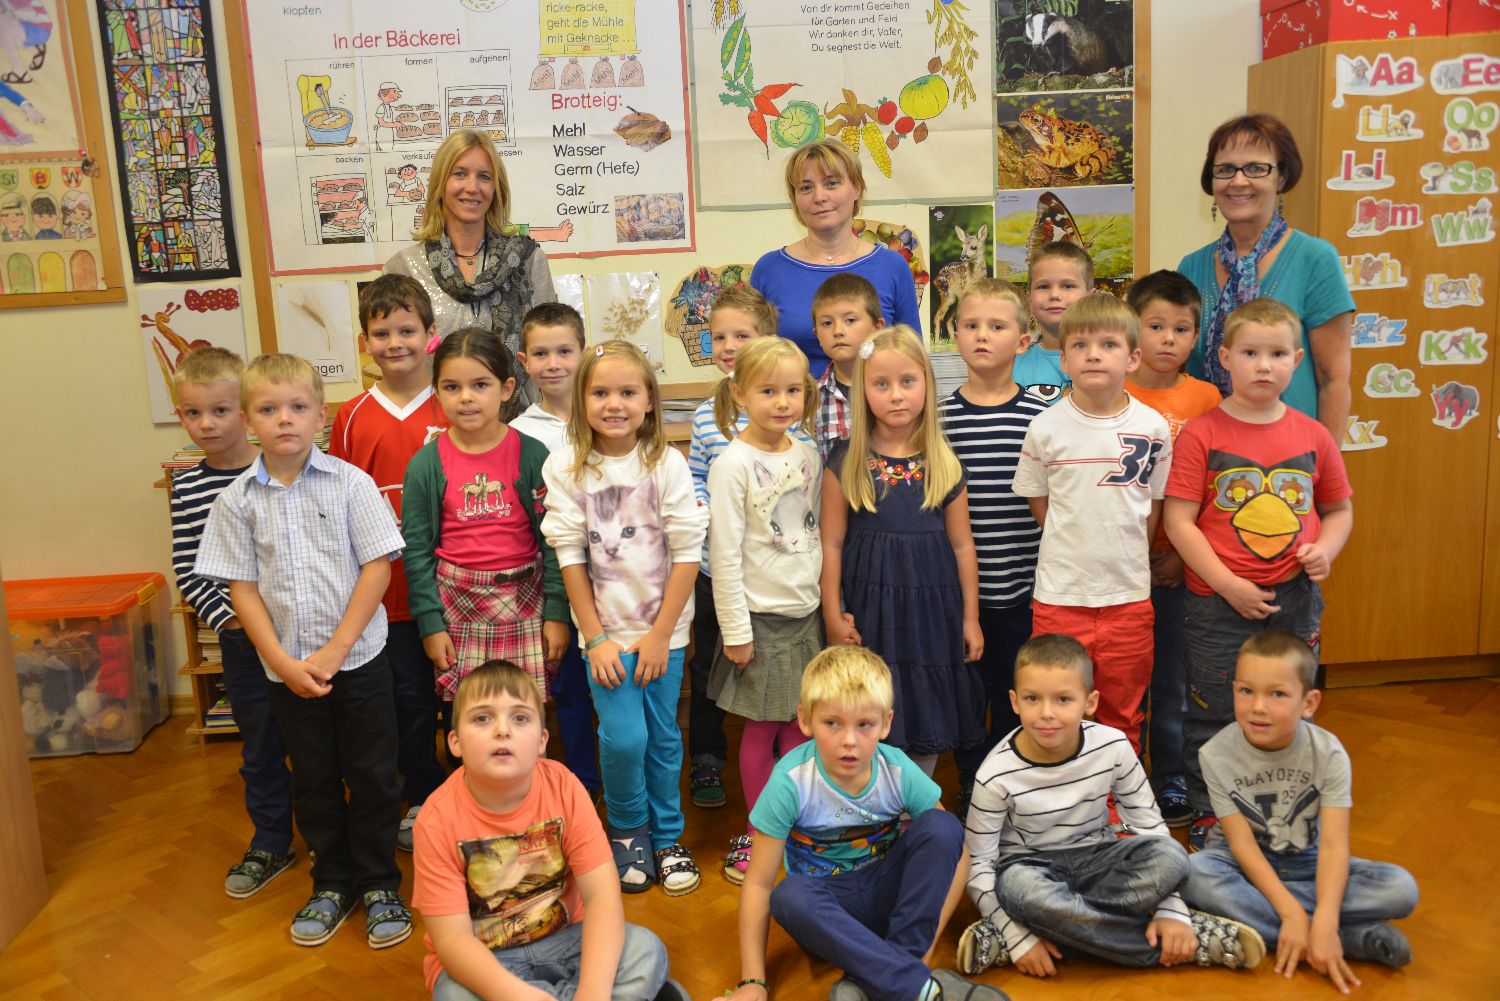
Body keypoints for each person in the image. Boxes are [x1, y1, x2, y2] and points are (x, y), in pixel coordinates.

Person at [196, 354, 411, 949]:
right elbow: (242, 588)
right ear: (248, 421)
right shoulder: (236, 501)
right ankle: (332, 881)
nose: (284, 419)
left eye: (297, 407)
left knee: (373, 776)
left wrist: (337, 649)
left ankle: (379, 883)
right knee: (314, 781)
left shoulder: (351, 484)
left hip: (359, 663)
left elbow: (377, 567)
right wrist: (281, 662)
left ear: (320, 416)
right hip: (287, 672)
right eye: (268, 409)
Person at [957, 634, 1266, 979]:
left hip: (1099, 860)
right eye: (1032, 698)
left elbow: (1150, 827)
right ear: (1014, 702)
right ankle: (1193, 941)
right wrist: (1019, 939)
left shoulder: (1113, 746)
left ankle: (1040, 931)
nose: (1047, 713)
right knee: (1016, 888)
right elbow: (979, 864)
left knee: (1173, 856)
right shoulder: (994, 774)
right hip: (1033, 871)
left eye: (1063, 699)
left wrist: (1172, 910)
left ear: (1090, 702)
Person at [1164, 297, 1353, 850]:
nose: (1263, 366)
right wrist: (1228, 585)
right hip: (1216, 604)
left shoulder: (1314, 435)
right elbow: (1178, 521)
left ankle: (1288, 807)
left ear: (1297, 360)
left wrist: (1326, 550)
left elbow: (1339, 510)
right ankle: (1210, 811)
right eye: (1250, 353)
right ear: (1225, 358)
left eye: (1276, 354)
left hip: (1296, 598)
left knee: (1289, 705)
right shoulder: (1202, 434)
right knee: (1214, 709)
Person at [724, 646, 1002, 1001]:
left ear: (886, 723)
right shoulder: (790, 781)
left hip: (892, 900)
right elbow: (759, 884)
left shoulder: (897, 769)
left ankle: (901, 974)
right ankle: (915, 984)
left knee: (943, 826)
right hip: (829, 912)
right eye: (832, 723)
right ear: (805, 720)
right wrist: (753, 981)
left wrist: (922, 955)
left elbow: (955, 853)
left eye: (864, 725)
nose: (849, 741)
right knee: (789, 895)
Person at [413, 660, 689, 1001]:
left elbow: (602, 897)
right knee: (454, 995)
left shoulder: (565, 787)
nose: (502, 730)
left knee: (644, 948)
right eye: (482, 718)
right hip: (489, 958)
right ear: (454, 742)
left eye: (520, 718)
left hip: (568, 939)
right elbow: (453, 940)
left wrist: (593, 992)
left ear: (541, 740)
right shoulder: (435, 820)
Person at [542, 341, 709, 896]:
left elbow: (687, 552)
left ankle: (668, 837)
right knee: (623, 739)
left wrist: (662, 636)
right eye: (600, 393)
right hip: (606, 640)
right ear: (581, 400)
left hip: (664, 636)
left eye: (628, 392)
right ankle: (628, 830)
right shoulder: (566, 466)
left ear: (649, 401)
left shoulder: (667, 463)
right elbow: (569, 555)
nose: (614, 404)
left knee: (663, 738)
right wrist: (594, 639)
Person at [1184, 631, 1418, 991]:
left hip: (1311, 862)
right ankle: (1352, 939)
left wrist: (1325, 917)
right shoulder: (1214, 753)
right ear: (1233, 690)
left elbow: (1334, 847)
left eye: (1277, 694)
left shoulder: (1329, 752)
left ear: (1309, 703)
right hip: (1245, 864)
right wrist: (1293, 912)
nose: (1258, 706)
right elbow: (1242, 845)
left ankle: (1283, 926)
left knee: (1400, 889)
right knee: (1195, 873)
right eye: (1246, 691)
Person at [820, 326, 985, 774]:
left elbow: (963, 546)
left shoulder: (944, 462)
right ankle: (872, 802)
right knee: (868, 703)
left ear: (927, 385)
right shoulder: (845, 460)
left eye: (907, 381)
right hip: (870, 611)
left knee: (926, 706)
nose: (896, 395)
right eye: (881, 384)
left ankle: (913, 801)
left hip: (933, 613)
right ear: (863, 391)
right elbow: (830, 544)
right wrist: (832, 613)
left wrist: (970, 618)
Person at [1012, 293, 1170, 756]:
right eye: (1080, 345)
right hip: (1061, 598)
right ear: (1064, 360)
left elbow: (1152, 507)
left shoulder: (1153, 427)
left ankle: (1118, 794)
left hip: (1128, 599)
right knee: (1057, 711)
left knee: (1123, 712)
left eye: (1108, 344)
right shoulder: (1045, 427)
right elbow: (1040, 502)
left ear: (1133, 358)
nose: (1094, 355)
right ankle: (1063, 791)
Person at [401, 328, 569, 752]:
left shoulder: (532, 454)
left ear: (506, 388)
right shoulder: (426, 465)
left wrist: (556, 613)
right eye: (451, 387)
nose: (466, 398)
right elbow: (417, 553)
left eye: (480, 385)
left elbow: (553, 541)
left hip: (525, 604)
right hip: (457, 610)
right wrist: (430, 624)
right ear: (436, 391)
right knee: (469, 722)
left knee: (522, 718)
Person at [330, 274, 450, 852]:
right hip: (388, 596)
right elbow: (337, 504)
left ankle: (471, 797)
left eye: (407, 330)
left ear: (431, 334)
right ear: (365, 342)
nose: (395, 343)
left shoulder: (455, 401)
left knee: (461, 698)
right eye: (381, 334)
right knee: (408, 703)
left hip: (455, 590)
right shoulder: (351, 416)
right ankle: (423, 795)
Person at [169, 347, 295, 900]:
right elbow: (188, 567)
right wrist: (231, 621)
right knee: (260, 744)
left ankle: (329, 834)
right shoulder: (188, 488)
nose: (207, 424)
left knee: (318, 741)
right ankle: (270, 840)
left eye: (219, 411)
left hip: (302, 633)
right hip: (243, 643)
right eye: (192, 413)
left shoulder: (284, 468)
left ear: (243, 412)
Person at [706, 335, 822, 883]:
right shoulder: (733, 463)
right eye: (768, 390)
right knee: (759, 731)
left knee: (800, 728)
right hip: (758, 620)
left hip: (806, 616)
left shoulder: (808, 455)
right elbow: (724, 554)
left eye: (793, 390)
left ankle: (794, 824)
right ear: (740, 394)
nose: (782, 402)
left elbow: (813, 535)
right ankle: (759, 832)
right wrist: (736, 629)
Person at [938, 278, 1052, 813]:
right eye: (971, 325)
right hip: (959, 592)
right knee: (965, 692)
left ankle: (1009, 779)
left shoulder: (1041, 417)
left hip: (1025, 585)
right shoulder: (938, 417)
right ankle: (970, 778)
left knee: (1015, 686)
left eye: (997, 326)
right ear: (955, 336)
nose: (982, 335)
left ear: (1023, 341)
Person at [1179, 113, 1355, 443]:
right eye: (1225, 169)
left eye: (1256, 168)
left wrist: (1324, 465)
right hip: (1209, 455)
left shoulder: (1315, 259)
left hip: (1291, 458)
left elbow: (1333, 380)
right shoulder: (1191, 267)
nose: (1238, 181)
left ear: (1282, 177)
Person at [685, 284, 793, 811]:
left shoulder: (787, 407)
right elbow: (696, 480)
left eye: (742, 336)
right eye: (719, 336)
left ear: (766, 339)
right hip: (717, 569)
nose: (728, 346)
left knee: (772, 668)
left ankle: (777, 756)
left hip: (774, 572)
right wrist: (714, 516)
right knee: (710, 665)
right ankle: (707, 757)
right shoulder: (708, 415)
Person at [1124, 270, 1222, 827]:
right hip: (1120, 564)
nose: (1167, 339)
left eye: (1181, 329)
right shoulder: (1111, 387)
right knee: (1123, 680)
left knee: (1173, 680)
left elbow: (1214, 489)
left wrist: (1183, 557)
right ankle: (1120, 779)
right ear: (1132, 328)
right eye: (1155, 325)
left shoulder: (1207, 398)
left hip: (1186, 564)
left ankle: (1172, 780)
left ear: (1196, 336)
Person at [385, 128, 558, 410]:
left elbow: (553, 353)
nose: (472, 187)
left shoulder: (528, 261)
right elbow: (397, 363)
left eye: (484, 177)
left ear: (496, 189)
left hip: (521, 426)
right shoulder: (403, 268)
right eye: (460, 174)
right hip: (434, 425)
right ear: (440, 183)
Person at [510, 302, 602, 801]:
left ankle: (622, 782)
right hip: (557, 582)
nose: (554, 364)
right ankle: (582, 785)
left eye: (565, 351)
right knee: (568, 688)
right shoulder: (522, 434)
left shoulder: (608, 414)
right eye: (541, 354)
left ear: (583, 352)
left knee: (614, 684)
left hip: (615, 578)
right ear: (524, 361)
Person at [750, 139, 919, 374]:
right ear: (795, 198)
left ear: (857, 188)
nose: (819, 196)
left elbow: (913, 361)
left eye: (831, 183)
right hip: (792, 398)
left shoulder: (892, 267)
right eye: (806, 188)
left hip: (872, 398)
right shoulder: (769, 270)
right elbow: (752, 363)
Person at [811, 273, 886, 460]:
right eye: (827, 323)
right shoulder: (810, 400)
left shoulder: (895, 392)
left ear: (877, 327)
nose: (838, 331)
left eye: (850, 320)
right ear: (817, 334)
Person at [1013, 241, 1092, 395]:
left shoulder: (1111, 363)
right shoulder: (1011, 369)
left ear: (1091, 298)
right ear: (1029, 300)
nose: (1055, 295)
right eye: (1043, 286)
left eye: (1068, 286)